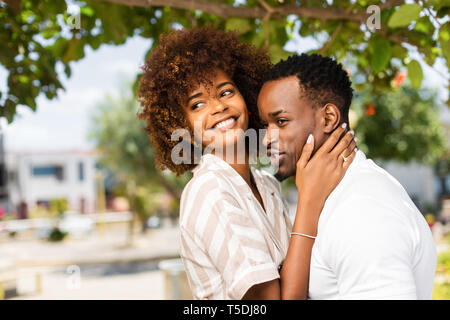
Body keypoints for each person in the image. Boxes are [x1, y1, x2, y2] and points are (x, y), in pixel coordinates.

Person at [137, 26, 356, 300]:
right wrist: (309, 199)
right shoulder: (210, 191)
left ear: (247, 97)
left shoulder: (266, 184)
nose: (217, 107)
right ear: (182, 126)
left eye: (226, 92)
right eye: (197, 105)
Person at [257, 53, 437, 299]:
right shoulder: (336, 198)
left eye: (281, 121)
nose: (268, 138)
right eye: (265, 125)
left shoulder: (362, 208)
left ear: (328, 118)